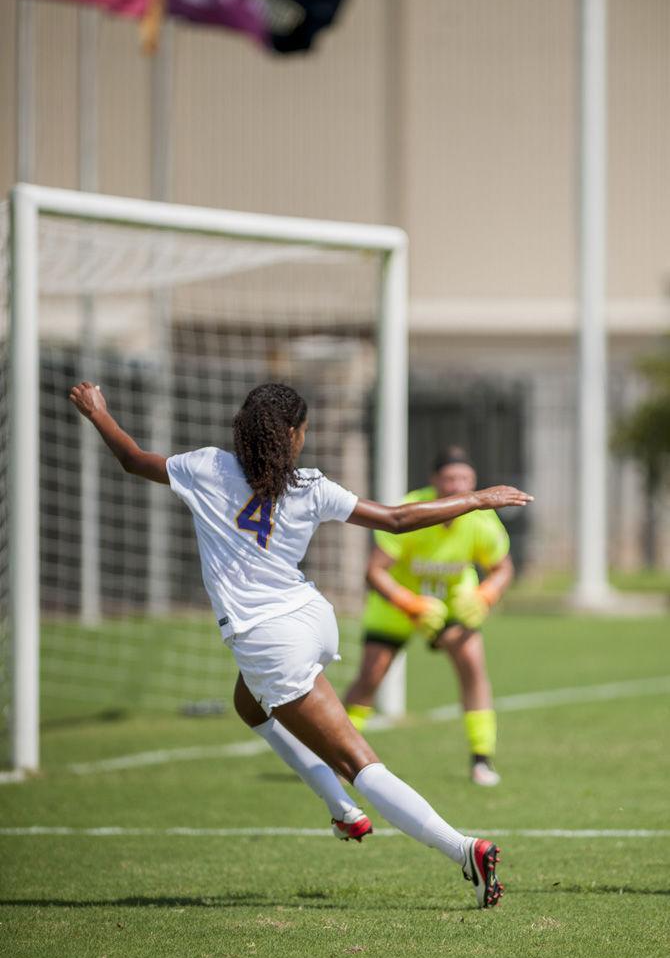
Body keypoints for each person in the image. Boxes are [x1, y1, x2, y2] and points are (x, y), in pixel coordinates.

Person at [68, 380, 533, 908]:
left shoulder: (205, 467)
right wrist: (478, 498)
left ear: (245, 426)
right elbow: (397, 520)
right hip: (312, 619)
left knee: (361, 764)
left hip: (268, 638)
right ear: (293, 436)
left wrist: (98, 412)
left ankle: (462, 848)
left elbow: (132, 459)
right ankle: (342, 809)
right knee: (249, 705)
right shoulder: (311, 485)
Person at [345, 446, 514, 786]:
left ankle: (482, 758)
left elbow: (502, 568)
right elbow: (375, 572)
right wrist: (408, 603)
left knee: (472, 662)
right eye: (451, 478)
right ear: (434, 480)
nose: (458, 485)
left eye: (466, 478)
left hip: (452, 604)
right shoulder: (414, 510)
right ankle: (339, 755)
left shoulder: (481, 519)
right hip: (397, 602)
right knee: (370, 676)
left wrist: (486, 594)